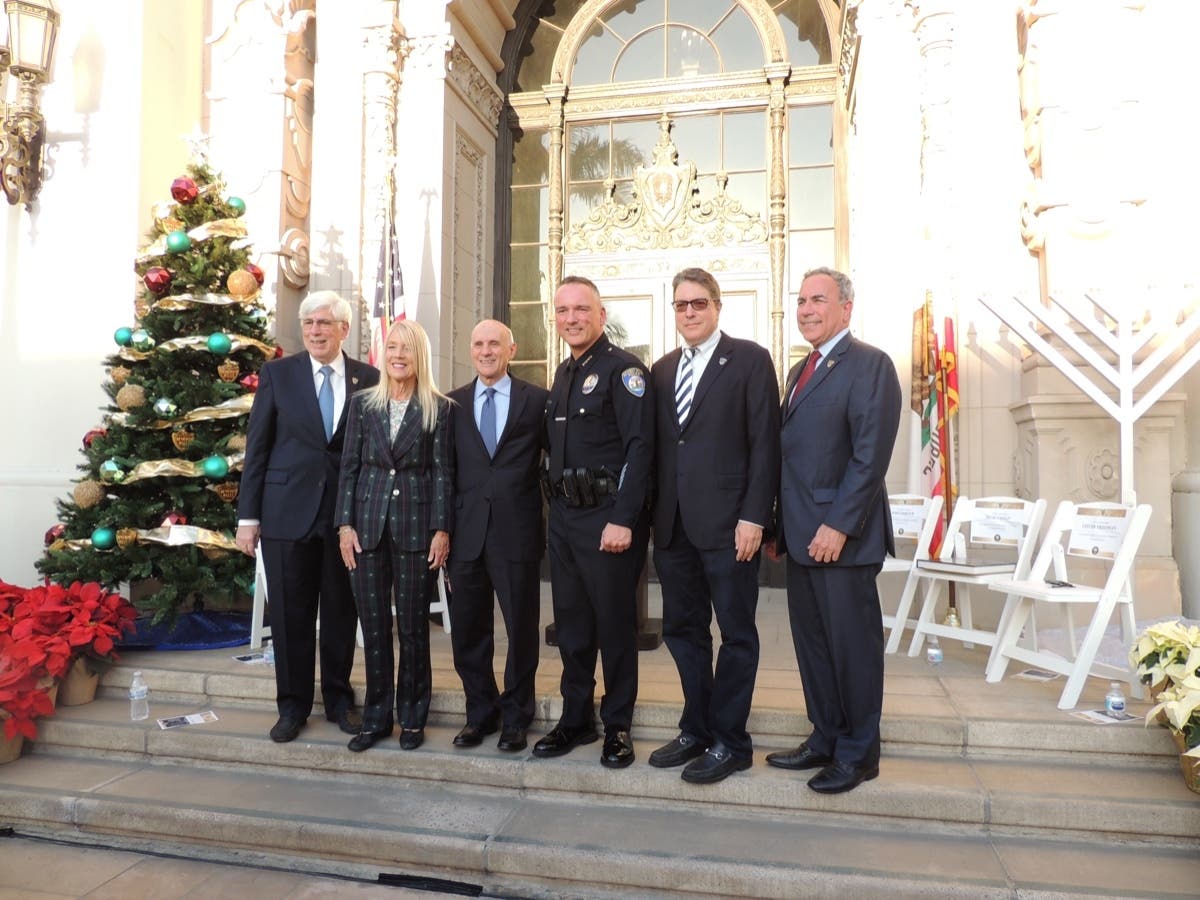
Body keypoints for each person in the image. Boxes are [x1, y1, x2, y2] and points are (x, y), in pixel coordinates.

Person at [768, 267, 902, 794]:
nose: (805, 309)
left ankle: (858, 753)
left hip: (840, 539)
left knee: (852, 650)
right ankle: (824, 736)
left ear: (846, 306)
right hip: (802, 537)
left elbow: (870, 457)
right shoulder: (801, 369)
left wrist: (838, 526)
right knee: (815, 647)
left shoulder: (870, 365)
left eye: (817, 299)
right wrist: (782, 526)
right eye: (800, 300)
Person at [648, 268, 780, 784]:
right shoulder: (661, 371)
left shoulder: (749, 360)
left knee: (737, 634)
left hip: (731, 527)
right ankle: (695, 728)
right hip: (675, 528)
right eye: (681, 305)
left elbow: (765, 444)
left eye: (698, 303)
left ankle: (732, 741)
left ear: (717, 307)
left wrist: (755, 516)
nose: (689, 312)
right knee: (683, 632)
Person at [236, 291, 379, 743]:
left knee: (341, 612)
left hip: (344, 520)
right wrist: (247, 517)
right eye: (309, 323)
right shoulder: (278, 374)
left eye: (324, 323)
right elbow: (257, 448)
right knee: (291, 617)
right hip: (284, 515)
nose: (315, 331)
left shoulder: (368, 377)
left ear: (344, 330)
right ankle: (292, 706)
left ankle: (338, 699)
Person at [534, 275, 653, 768]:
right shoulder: (563, 374)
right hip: (564, 518)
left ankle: (618, 725)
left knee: (615, 627)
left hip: (607, 520)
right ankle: (576, 717)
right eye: (562, 311)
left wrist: (624, 519)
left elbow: (641, 449)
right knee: (574, 626)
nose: (571, 318)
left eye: (581, 309)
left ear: (601, 315)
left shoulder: (624, 371)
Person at [335, 318, 452, 752]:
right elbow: (348, 469)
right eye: (392, 348)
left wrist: (442, 529)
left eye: (406, 348)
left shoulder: (438, 408)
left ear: (418, 355)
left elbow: (443, 473)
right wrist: (344, 526)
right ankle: (376, 718)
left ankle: (414, 718)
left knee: (414, 630)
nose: (398, 355)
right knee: (375, 626)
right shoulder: (363, 404)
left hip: (416, 529)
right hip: (365, 529)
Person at [446, 319, 548, 753]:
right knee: (469, 632)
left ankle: (516, 717)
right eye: (479, 344)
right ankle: (480, 714)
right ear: (471, 350)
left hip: (517, 532)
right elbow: (444, 473)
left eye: (495, 344)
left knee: (521, 630)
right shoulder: (450, 404)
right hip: (465, 534)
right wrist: (442, 531)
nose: (486, 351)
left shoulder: (537, 401)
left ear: (512, 350)